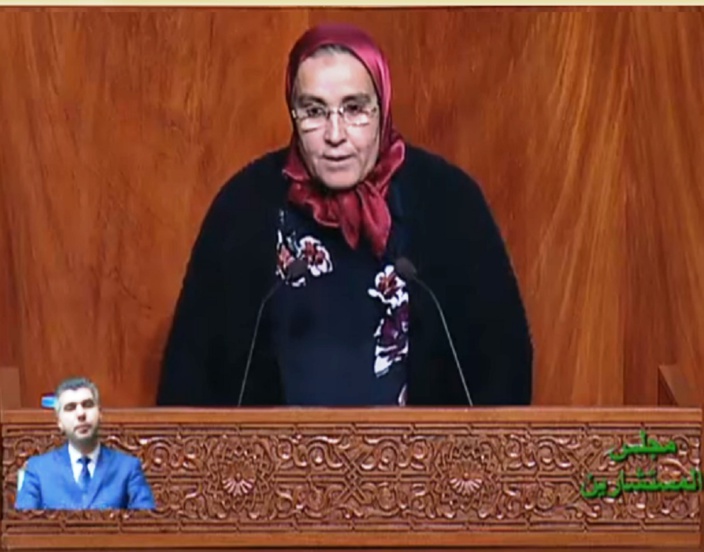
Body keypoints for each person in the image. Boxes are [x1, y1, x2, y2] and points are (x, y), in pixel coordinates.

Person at [156, 23, 532, 408]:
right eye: (314, 111)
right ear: (293, 114)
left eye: (354, 109)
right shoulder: (244, 206)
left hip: (422, 449)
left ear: (382, 107)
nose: (335, 135)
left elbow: (504, 362)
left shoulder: (448, 200)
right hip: (275, 450)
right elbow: (190, 374)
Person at [15, 377, 156, 510]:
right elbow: (24, 524)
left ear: (100, 413)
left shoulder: (128, 468)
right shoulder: (38, 469)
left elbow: (146, 522)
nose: (81, 414)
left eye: (87, 405)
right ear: (59, 422)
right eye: (70, 407)